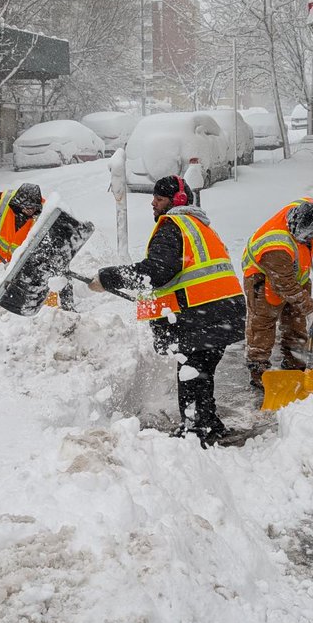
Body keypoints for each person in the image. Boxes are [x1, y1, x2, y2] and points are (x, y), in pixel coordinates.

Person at [90, 175, 245, 446]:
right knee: (201, 373)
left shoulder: (172, 225)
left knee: (192, 372)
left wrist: (109, 277)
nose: (153, 203)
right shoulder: (199, 225)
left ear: (178, 201)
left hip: (201, 314)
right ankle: (207, 424)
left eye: (159, 199)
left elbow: (157, 272)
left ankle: (195, 432)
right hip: (221, 313)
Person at [241, 197, 313, 390]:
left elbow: (310, 201)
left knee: (296, 322)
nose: (311, 240)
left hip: (294, 274)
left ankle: (295, 364)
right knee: (263, 325)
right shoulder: (276, 245)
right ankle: (259, 372)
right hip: (263, 278)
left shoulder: (303, 209)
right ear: (298, 231)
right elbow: (285, 285)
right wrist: (309, 307)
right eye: (309, 236)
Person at [0, 182, 72, 307]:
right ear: (19, 204)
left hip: (29, 254)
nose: (32, 211)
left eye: (34, 207)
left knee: (42, 277)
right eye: (28, 208)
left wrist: (18, 263)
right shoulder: (7, 201)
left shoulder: (45, 213)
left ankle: (54, 306)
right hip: (6, 253)